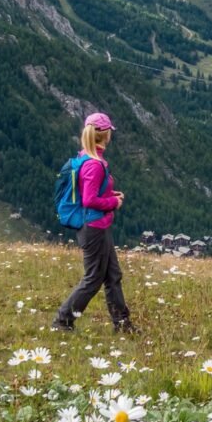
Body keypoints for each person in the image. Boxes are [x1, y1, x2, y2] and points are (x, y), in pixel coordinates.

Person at [52, 112, 136, 334]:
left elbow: (89, 192)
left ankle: (123, 324)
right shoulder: (95, 165)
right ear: (105, 134)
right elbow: (89, 200)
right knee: (93, 279)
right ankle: (63, 320)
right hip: (94, 228)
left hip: (97, 226)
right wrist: (113, 202)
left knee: (113, 276)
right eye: (109, 131)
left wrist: (109, 193)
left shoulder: (84, 157)